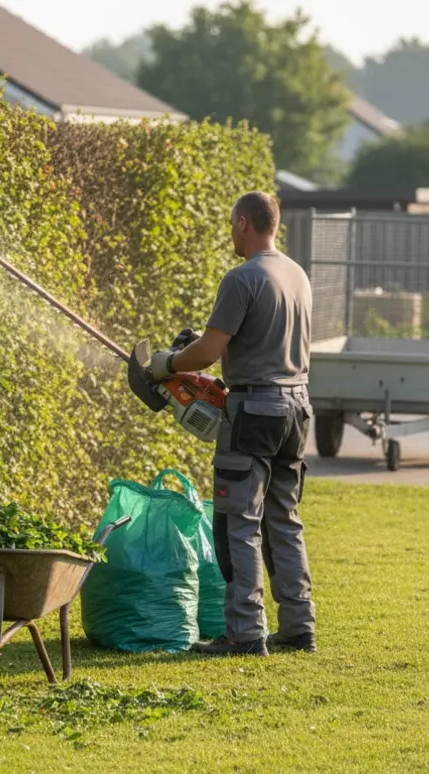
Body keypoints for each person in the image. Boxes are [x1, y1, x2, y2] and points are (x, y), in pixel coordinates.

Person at [146, 191, 317, 656]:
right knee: (284, 519)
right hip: (297, 406)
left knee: (238, 522)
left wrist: (169, 363)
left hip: (255, 410)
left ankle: (244, 633)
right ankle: (299, 626)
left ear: (243, 222)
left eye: (230, 224)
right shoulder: (296, 274)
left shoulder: (242, 278)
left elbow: (208, 350)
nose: (230, 233)